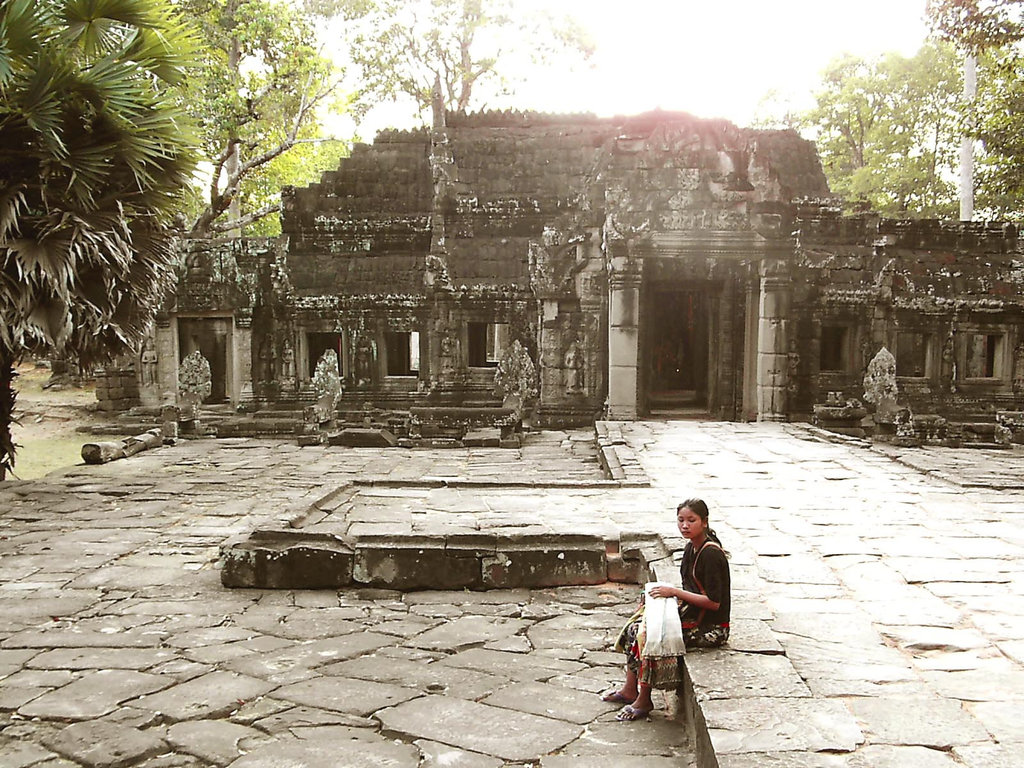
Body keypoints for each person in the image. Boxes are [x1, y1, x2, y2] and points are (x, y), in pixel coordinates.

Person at [603, 498, 731, 721]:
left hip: (712, 628)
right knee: (636, 626)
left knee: (651, 636)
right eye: (681, 520)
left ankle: (644, 698)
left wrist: (674, 593)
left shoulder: (710, 554)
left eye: (691, 520)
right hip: (694, 614)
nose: (685, 525)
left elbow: (714, 603)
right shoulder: (692, 547)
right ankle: (630, 689)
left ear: (704, 522)